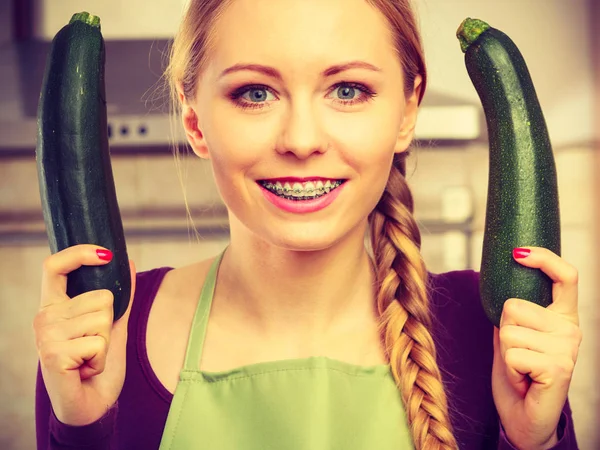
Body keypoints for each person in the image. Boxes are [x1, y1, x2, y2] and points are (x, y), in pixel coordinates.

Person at [33, 0, 582, 449]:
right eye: (254, 93)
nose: (301, 140)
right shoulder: (105, 332)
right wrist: (82, 431)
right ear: (195, 121)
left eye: (348, 90)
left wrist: (532, 439)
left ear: (407, 112)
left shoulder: (494, 332)